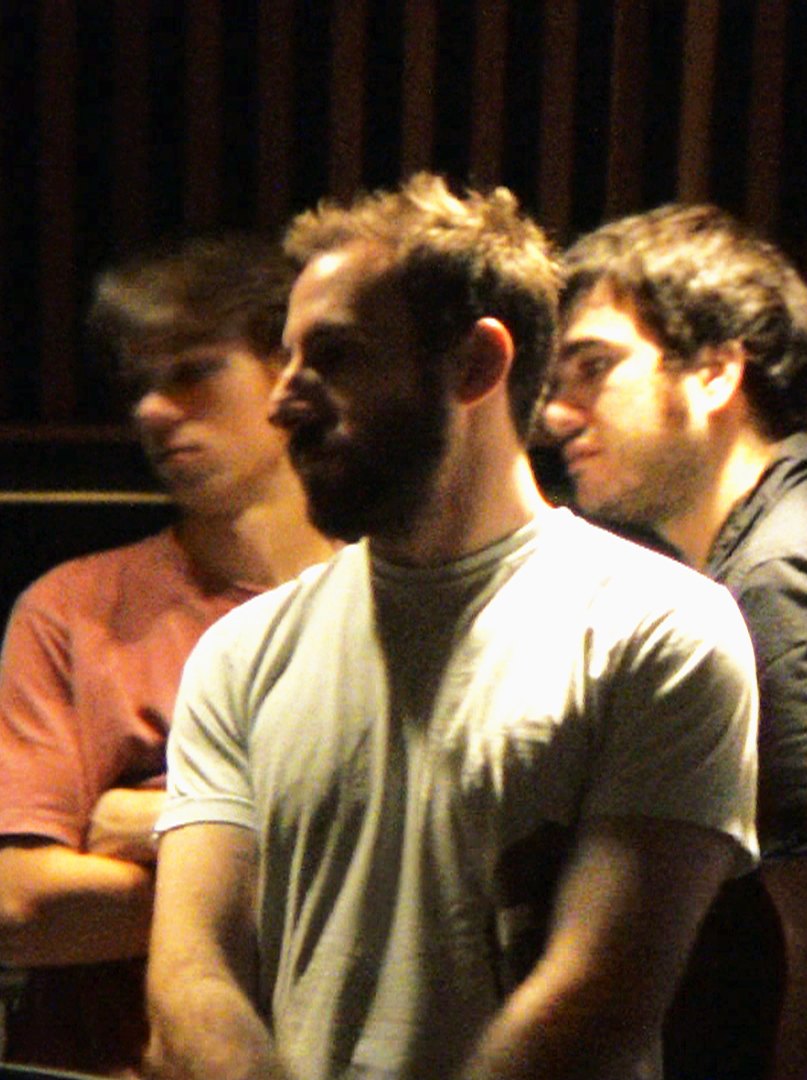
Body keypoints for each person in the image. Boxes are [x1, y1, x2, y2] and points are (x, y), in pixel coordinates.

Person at [142, 173, 761, 1080]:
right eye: (286, 358)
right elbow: (189, 982)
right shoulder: (242, 653)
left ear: (475, 364)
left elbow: (599, 999)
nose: (284, 401)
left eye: (335, 356)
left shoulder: (658, 628)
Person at [541, 205, 807, 1080]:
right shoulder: (776, 555)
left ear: (715, 372)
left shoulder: (791, 577)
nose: (556, 415)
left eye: (594, 368)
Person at [0, 235, 336, 1076]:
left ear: (290, 372)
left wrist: (164, 825)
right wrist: (316, 867)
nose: (153, 411)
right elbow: (23, 910)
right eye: (138, 386)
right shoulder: (74, 608)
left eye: (194, 372)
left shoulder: (390, 601)